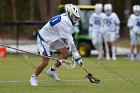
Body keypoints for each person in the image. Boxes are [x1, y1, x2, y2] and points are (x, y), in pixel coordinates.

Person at [29, 4, 83, 86]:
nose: (75, 19)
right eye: (74, 16)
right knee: (45, 63)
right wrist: (77, 55)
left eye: (76, 17)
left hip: (54, 38)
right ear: (69, 13)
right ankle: (33, 77)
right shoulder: (64, 22)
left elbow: (68, 39)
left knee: (66, 54)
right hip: (44, 39)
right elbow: (70, 41)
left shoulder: (67, 18)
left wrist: (74, 53)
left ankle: (52, 71)